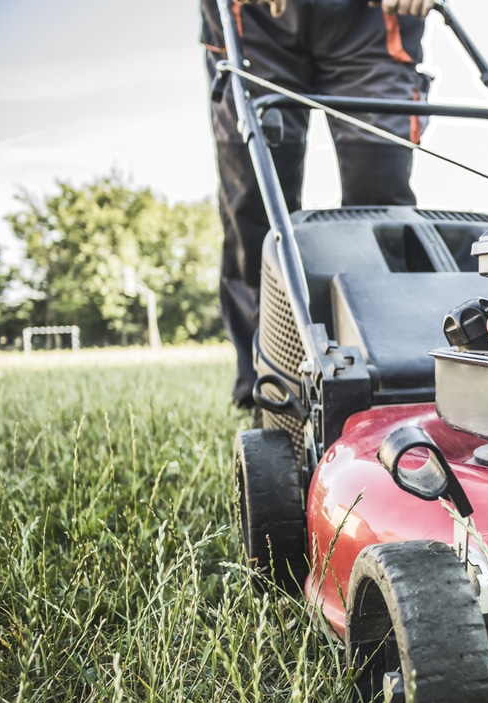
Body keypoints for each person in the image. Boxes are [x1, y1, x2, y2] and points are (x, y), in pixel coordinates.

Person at [201, 0, 435, 409]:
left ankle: (391, 377)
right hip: (255, 20)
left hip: (371, 19)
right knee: (255, 205)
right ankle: (267, 388)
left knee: (381, 205)